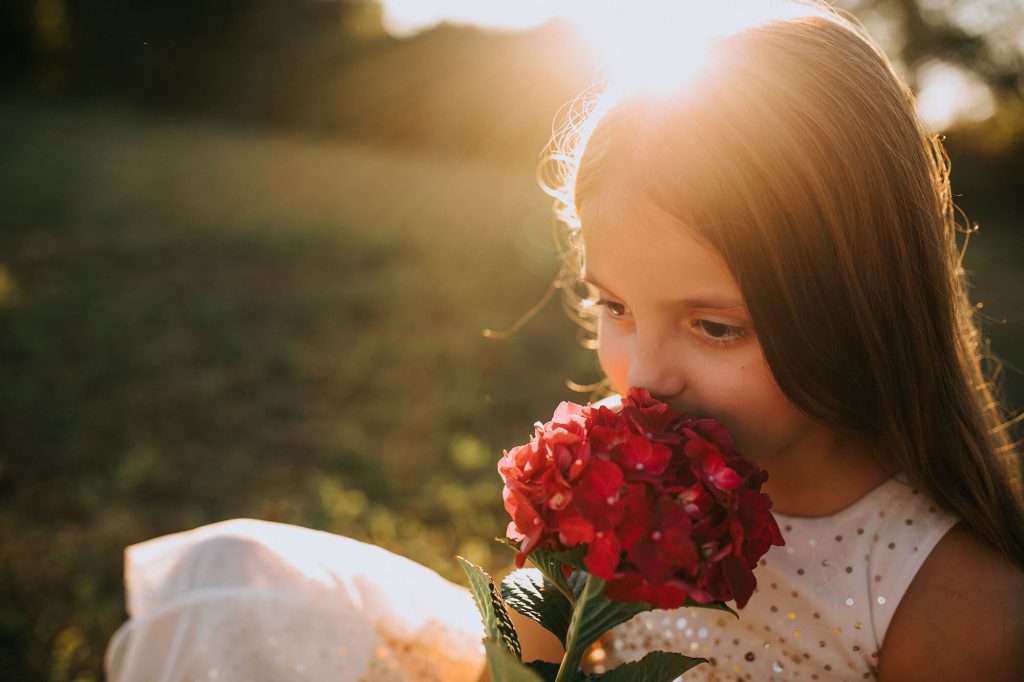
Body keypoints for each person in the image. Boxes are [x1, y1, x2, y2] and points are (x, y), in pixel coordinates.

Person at [106, 3, 1024, 681]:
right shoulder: (617, 494)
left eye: (715, 327)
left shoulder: (951, 608)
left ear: (857, 304)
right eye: (615, 304)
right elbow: (528, 660)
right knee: (236, 585)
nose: (648, 376)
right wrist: (540, 601)